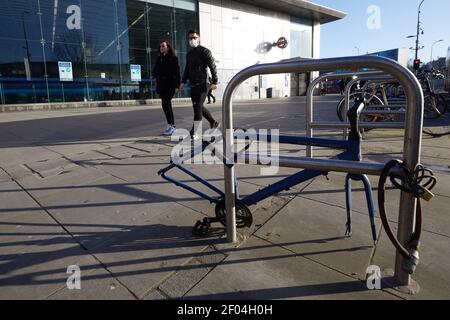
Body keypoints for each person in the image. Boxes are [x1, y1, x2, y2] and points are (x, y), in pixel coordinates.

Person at [179, 30, 219, 139]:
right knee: (198, 107)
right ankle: (213, 122)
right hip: (194, 85)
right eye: (190, 38)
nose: (192, 40)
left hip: (204, 83)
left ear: (199, 38)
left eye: (194, 37)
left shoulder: (205, 51)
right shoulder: (189, 54)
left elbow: (212, 66)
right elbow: (187, 69)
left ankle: (194, 132)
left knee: (197, 108)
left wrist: (215, 81)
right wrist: (183, 81)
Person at [153, 40, 181, 136]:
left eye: (163, 46)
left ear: (168, 47)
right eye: (160, 46)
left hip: (170, 85)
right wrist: (155, 75)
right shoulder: (159, 58)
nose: (161, 47)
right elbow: (155, 71)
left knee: (165, 103)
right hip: (161, 85)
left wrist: (177, 85)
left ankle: (171, 125)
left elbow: (177, 72)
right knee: (166, 104)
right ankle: (171, 125)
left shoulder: (173, 58)